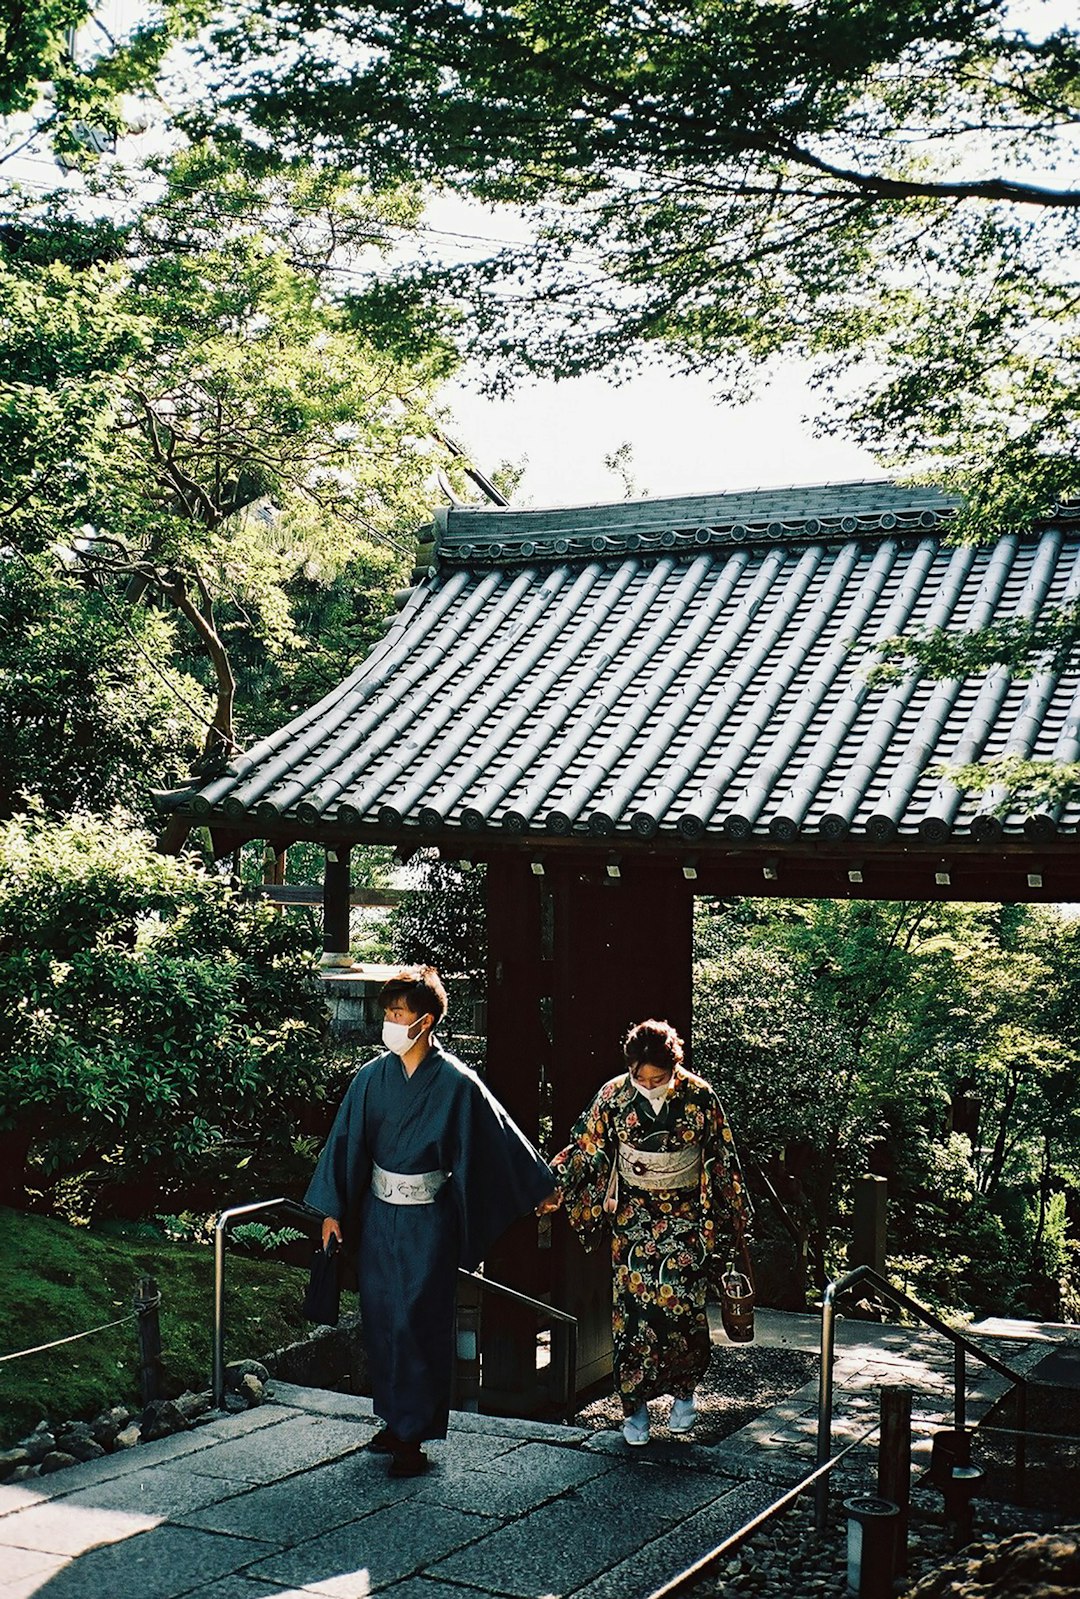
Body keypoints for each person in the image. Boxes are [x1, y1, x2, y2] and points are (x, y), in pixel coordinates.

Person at [305, 965, 555, 1476]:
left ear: (427, 1021)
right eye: (389, 1012)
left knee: (420, 1322)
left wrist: (538, 1187)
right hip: (378, 1216)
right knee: (382, 1320)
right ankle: (394, 1420)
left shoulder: (457, 1083)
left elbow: (496, 1139)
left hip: (428, 1220)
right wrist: (332, 1212)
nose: (391, 1021)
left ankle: (413, 1436)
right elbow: (346, 1144)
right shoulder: (370, 1079)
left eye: (400, 1013)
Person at [541, 1018, 749, 1447]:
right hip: (634, 1217)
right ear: (630, 1067)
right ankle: (633, 1408)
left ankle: (685, 1392)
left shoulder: (700, 1097)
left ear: (676, 1067)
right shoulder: (613, 1096)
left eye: (660, 1077)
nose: (650, 1084)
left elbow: (721, 1157)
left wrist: (734, 1218)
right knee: (633, 1314)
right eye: (641, 1076)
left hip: (687, 1216)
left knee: (682, 1304)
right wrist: (552, 1185)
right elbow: (585, 1146)